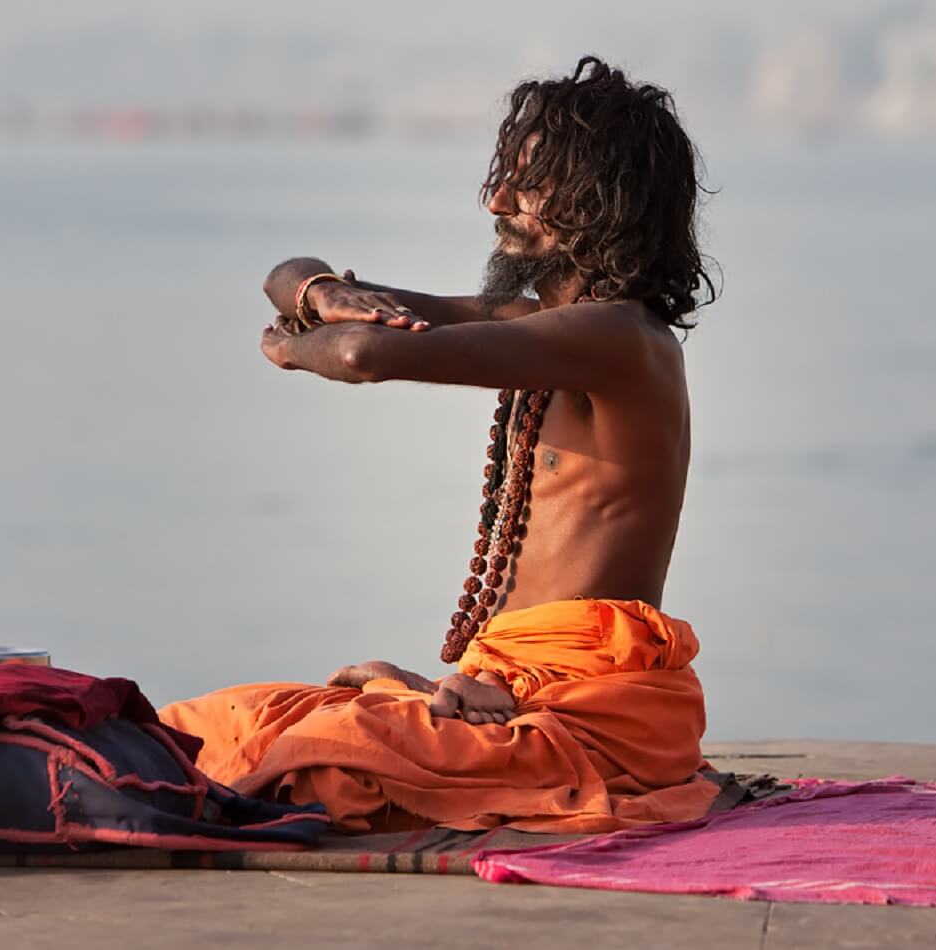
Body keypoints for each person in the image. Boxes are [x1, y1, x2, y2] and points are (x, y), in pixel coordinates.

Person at [161, 56, 722, 834]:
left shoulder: (621, 338)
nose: (496, 200)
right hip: (503, 690)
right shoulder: (533, 324)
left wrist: (291, 345)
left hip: (584, 717)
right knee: (218, 722)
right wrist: (321, 294)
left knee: (316, 754)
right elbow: (288, 276)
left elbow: (364, 356)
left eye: (527, 185)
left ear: (601, 200)